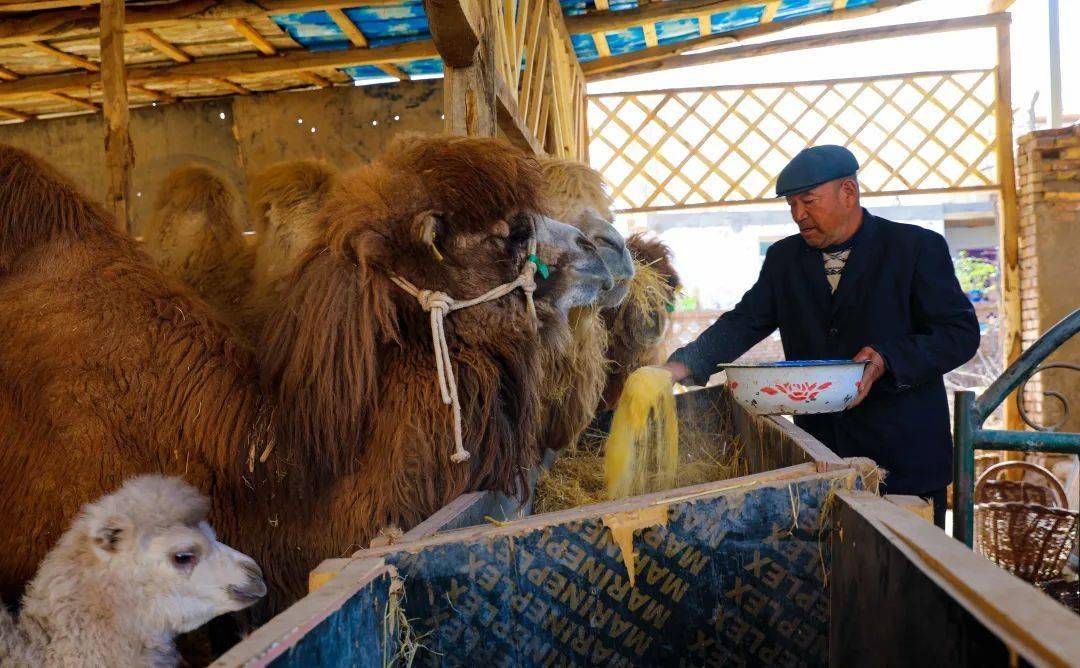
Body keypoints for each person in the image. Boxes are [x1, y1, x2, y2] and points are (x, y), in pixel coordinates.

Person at [661, 145, 980, 528]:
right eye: (791, 205)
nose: (798, 215)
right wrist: (681, 366)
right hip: (823, 458)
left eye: (808, 201)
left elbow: (958, 333)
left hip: (903, 459)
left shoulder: (914, 248)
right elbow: (745, 321)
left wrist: (887, 358)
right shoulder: (784, 259)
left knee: (906, 575)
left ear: (848, 192)